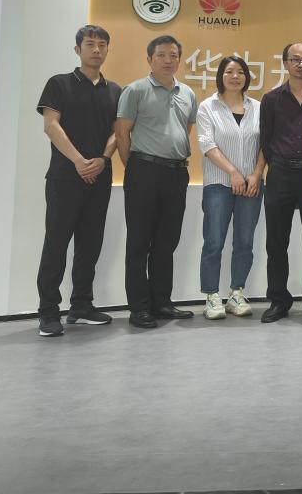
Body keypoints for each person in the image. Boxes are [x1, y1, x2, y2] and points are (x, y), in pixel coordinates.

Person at [34, 25, 122, 337]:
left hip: (99, 177)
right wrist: (78, 161)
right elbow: (51, 125)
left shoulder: (116, 91)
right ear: (77, 49)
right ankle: (48, 312)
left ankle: (81, 306)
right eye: (90, 44)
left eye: (102, 45)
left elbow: (118, 131)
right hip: (64, 177)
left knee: (90, 244)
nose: (96, 50)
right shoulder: (59, 84)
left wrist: (102, 159)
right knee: (56, 244)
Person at [115, 35, 199, 328]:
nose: (168, 60)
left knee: (166, 242)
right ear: (149, 59)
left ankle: (161, 302)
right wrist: (134, 169)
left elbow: (186, 129)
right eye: (161, 55)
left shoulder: (188, 93)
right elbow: (122, 133)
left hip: (176, 173)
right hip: (143, 171)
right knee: (139, 242)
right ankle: (139, 308)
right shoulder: (135, 90)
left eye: (173, 55)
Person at [196, 56, 265, 320]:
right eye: (229, 72)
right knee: (214, 241)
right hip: (218, 184)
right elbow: (207, 144)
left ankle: (237, 293)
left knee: (244, 242)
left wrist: (256, 174)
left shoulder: (258, 108)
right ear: (221, 76)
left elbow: (266, 144)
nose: (235, 76)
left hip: (251, 185)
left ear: (247, 77)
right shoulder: (208, 107)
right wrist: (233, 173)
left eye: (240, 72)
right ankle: (212, 296)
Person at [259, 42, 302, 323]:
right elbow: (266, 139)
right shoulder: (271, 99)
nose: (301, 64)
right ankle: (278, 300)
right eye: (295, 59)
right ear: (285, 63)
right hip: (280, 174)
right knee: (276, 242)